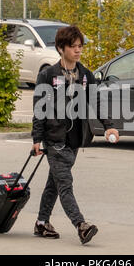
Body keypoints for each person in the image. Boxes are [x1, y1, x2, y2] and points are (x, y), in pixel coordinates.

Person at [31, 25, 119, 245]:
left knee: (55, 183)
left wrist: (108, 125)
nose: (78, 50)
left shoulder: (86, 76)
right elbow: (39, 109)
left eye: (80, 46)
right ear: (61, 48)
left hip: (74, 140)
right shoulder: (48, 75)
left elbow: (96, 102)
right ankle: (81, 225)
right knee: (65, 184)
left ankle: (42, 223)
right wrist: (37, 139)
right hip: (55, 139)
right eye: (73, 46)